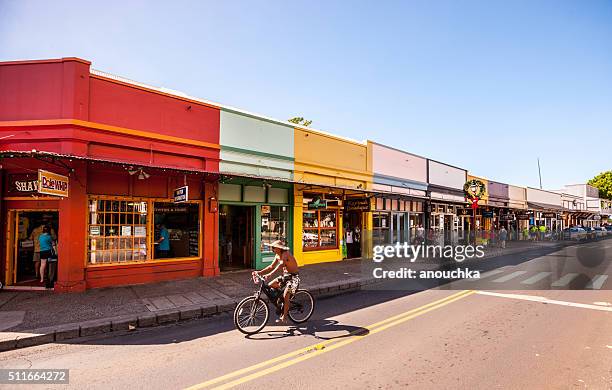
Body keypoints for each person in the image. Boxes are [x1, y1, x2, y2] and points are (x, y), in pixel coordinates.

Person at [254, 240, 299, 324]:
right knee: (271, 285)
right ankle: (280, 301)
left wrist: (270, 274)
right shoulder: (277, 255)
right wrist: (259, 272)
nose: (273, 249)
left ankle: (284, 316)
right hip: (285, 277)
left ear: (279, 248)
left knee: (286, 295)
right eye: (272, 247)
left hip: (293, 277)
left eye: (274, 247)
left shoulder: (285, 254)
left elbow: (281, 265)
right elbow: (271, 266)